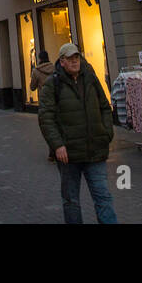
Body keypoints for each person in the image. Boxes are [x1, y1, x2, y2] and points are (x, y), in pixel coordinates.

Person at [38, 43, 117, 224]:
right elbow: (46, 117)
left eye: (76, 58)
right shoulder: (53, 84)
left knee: (103, 197)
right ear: (62, 62)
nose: (74, 62)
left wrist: (106, 133)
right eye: (70, 59)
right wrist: (57, 145)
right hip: (69, 156)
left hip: (95, 150)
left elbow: (105, 107)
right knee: (71, 201)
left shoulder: (90, 78)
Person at [29, 49, 56, 161]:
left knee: (47, 126)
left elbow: (32, 87)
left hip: (44, 102)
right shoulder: (55, 68)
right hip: (56, 99)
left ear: (39, 58)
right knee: (57, 124)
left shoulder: (36, 71)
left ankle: (52, 151)